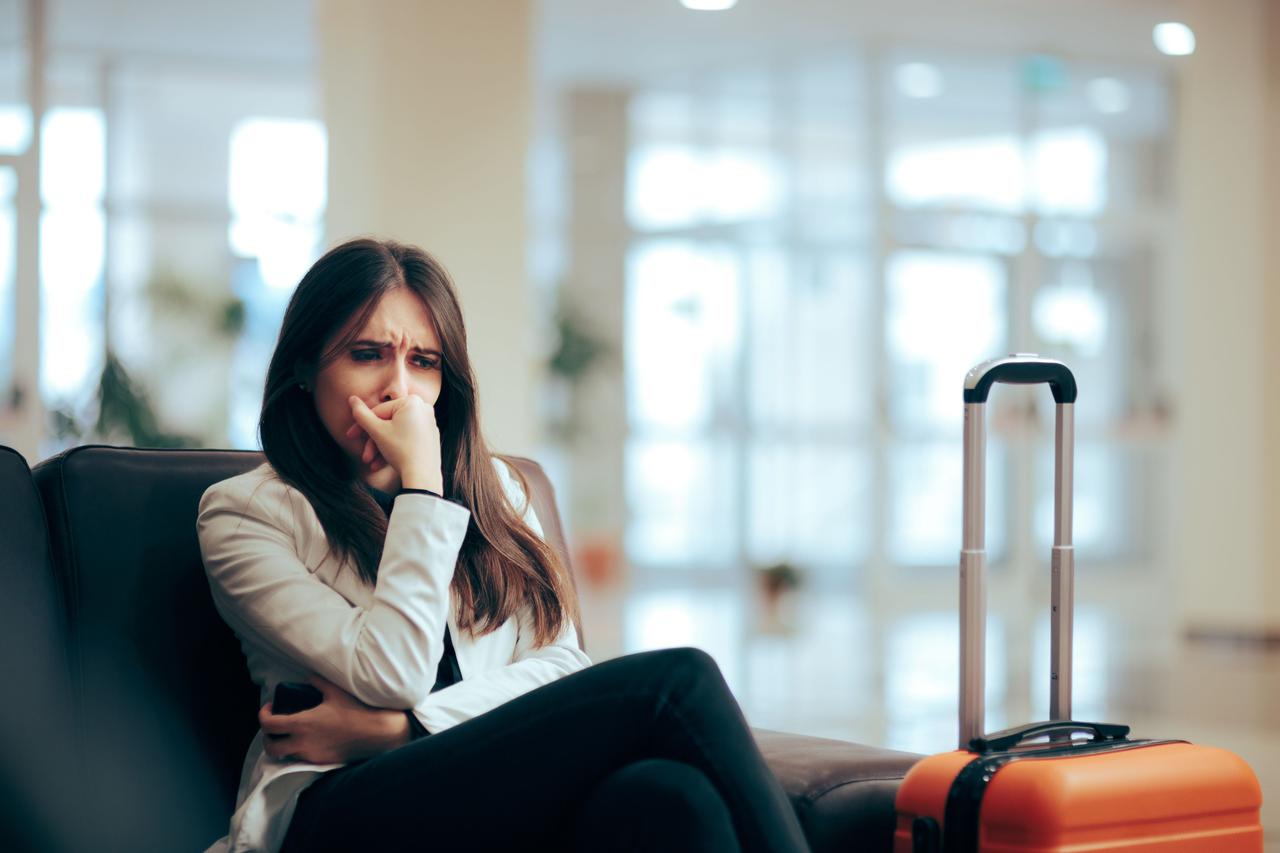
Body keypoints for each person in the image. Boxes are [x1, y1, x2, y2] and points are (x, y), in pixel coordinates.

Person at [197, 238, 810, 853]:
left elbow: (560, 667)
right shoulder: (245, 514)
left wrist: (407, 731)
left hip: (478, 796)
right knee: (678, 681)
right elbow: (393, 672)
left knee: (673, 798)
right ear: (305, 367)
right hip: (337, 809)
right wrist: (423, 485)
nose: (399, 389)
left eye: (424, 362)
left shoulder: (498, 490)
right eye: (367, 354)